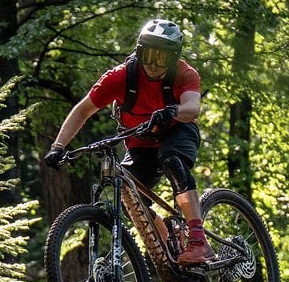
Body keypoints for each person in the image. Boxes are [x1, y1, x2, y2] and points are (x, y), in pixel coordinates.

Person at [43, 18, 211, 264]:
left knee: (172, 159)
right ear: (139, 51)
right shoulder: (120, 77)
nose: (153, 64)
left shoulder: (184, 74)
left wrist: (172, 112)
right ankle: (169, 254)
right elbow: (83, 110)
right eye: (149, 55)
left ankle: (198, 240)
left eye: (162, 58)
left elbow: (192, 107)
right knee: (129, 197)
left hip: (178, 131)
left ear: (173, 58)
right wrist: (58, 147)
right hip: (140, 142)